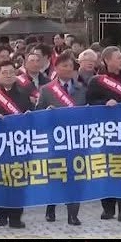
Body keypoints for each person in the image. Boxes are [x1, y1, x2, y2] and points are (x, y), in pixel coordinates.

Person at [86, 46, 121, 222]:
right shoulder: (97, 81)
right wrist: (104, 102)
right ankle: (108, 208)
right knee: (107, 169)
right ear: (107, 60)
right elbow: (89, 102)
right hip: (105, 133)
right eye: (117, 58)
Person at [0, 60, 33, 228]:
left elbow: (30, 114)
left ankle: (16, 217)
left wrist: (30, 114)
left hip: (18, 144)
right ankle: (1, 215)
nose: (9, 76)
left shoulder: (24, 93)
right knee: (0, 179)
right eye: (4, 73)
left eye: (11, 72)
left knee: (18, 180)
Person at [35, 52, 86, 226]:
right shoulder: (47, 89)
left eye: (71, 66)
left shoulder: (81, 89)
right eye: (64, 65)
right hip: (55, 141)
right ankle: (51, 207)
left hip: (76, 140)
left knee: (75, 176)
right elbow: (37, 113)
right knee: (55, 175)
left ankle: (73, 213)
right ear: (56, 68)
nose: (68, 69)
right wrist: (46, 112)